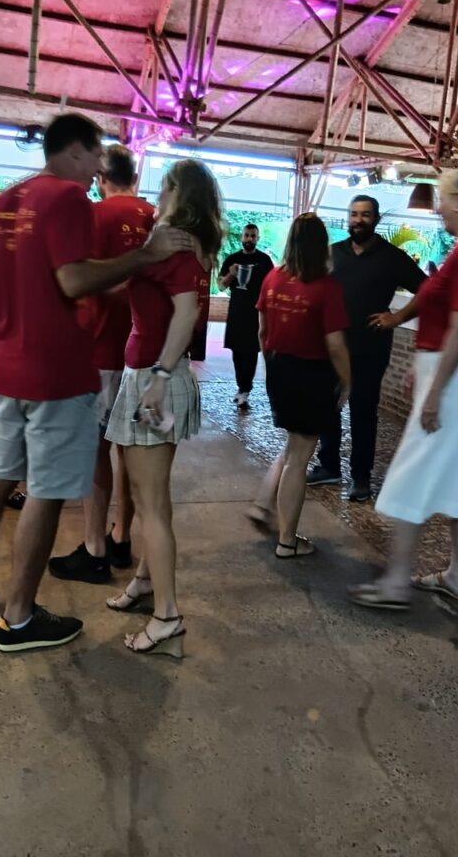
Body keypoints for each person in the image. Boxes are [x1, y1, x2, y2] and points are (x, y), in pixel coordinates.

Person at [0, 114, 192, 653]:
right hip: (56, 371)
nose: (99, 166)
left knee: (0, 475)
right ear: (74, 150)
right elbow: (72, 280)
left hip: (8, 364)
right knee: (47, 491)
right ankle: (20, 617)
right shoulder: (69, 199)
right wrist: (146, 255)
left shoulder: (3, 202)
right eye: (95, 153)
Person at [349, 169, 458, 609]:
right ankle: (457, 576)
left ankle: (396, 583)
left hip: (457, 379)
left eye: (442, 200)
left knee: (411, 476)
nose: (438, 209)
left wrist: (435, 390)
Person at [104, 159, 221, 657]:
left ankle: (168, 615)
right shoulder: (182, 244)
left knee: (149, 502)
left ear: (179, 193)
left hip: (155, 377)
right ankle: (146, 580)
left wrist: (158, 375)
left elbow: (186, 314)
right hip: (153, 374)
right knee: (149, 494)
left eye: (165, 187)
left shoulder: (174, 242)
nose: (156, 194)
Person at [48, 145, 156, 585]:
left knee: (95, 450)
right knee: (130, 450)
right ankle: (121, 538)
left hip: (99, 349)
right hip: (146, 354)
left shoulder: (93, 217)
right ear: (134, 176)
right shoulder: (158, 219)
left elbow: (78, 284)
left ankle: (94, 548)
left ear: (100, 178)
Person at [307, 195, 425, 502]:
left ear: (376, 219)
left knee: (363, 412)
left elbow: (428, 291)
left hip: (370, 349)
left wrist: (397, 317)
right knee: (328, 407)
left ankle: (361, 478)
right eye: (354, 214)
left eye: (365, 215)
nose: (358, 220)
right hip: (332, 346)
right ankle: (328, 466)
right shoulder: (333, 253)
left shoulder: (392, 257)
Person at [247, 213, 350, 554]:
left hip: (280, 368)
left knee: (293, 448)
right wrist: (347, 381)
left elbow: (262, 331)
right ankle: (287, 541)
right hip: (312, 374)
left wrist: (272, 366)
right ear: (321, 245)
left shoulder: (273, 278)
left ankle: (265, 508)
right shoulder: (326, 287)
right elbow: (336, 345)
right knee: (298, 459)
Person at [217, 223, 274, 409]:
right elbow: (220, 286)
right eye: (247, 235)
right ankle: (241, 386)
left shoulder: (264, 261)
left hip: (255, 314)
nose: (249, 239)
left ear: (258, 239)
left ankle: (245, 389)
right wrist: (231, 274)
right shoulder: (232, 259)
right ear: (242, 237)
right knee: (236, 351)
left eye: (253, 236)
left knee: (250, 352)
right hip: (236, 312)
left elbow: (272, 286)